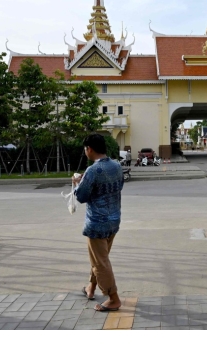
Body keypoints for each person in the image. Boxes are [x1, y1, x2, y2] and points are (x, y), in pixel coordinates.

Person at [73, 133, 124, 311]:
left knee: (100, 262)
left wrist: (76, 182)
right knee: (100, 258)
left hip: (96, 224)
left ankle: (113, 298)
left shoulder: (93, 170)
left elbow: (81, 196)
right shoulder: (116, 166)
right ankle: (91, 287)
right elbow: (118, 186)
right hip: (114, 221)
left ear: (89, 149)